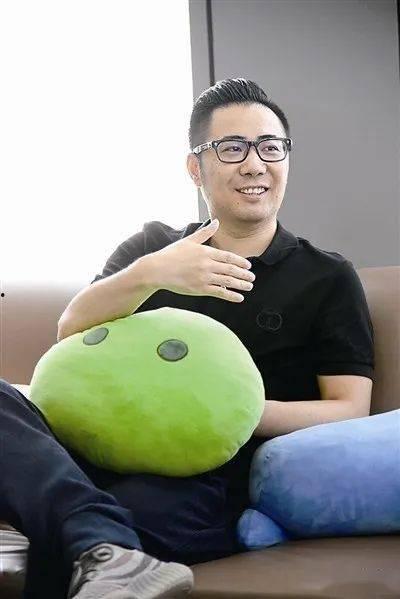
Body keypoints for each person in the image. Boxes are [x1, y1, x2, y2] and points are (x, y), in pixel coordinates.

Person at [0, 78, 374, 599]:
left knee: (90, 526)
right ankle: (100, 539)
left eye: (270, 147)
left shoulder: (326, 276)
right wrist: (150, 274)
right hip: (92, 449)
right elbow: (70, 331)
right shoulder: (153, 247)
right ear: (196, 168)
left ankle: (96, 536)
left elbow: (350, 408)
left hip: (203, 475)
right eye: (232, 148)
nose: (254, 164)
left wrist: (219, 411)